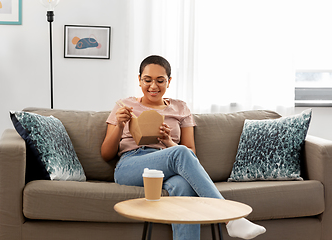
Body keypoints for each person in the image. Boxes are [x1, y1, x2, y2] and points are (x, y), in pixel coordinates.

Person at [101, 55, 266, 240]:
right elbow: (106, 154)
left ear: (169, 81)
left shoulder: (180, 108)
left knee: (183, 186)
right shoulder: (124, 106)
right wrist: (120, 126)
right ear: (139, 80)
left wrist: (168, 142)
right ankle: (231, 219)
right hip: (131, 165)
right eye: (147, 80)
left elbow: (190, 152)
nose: (153, 86)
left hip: (168, 165)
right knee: (180, 152)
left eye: (160, 80)